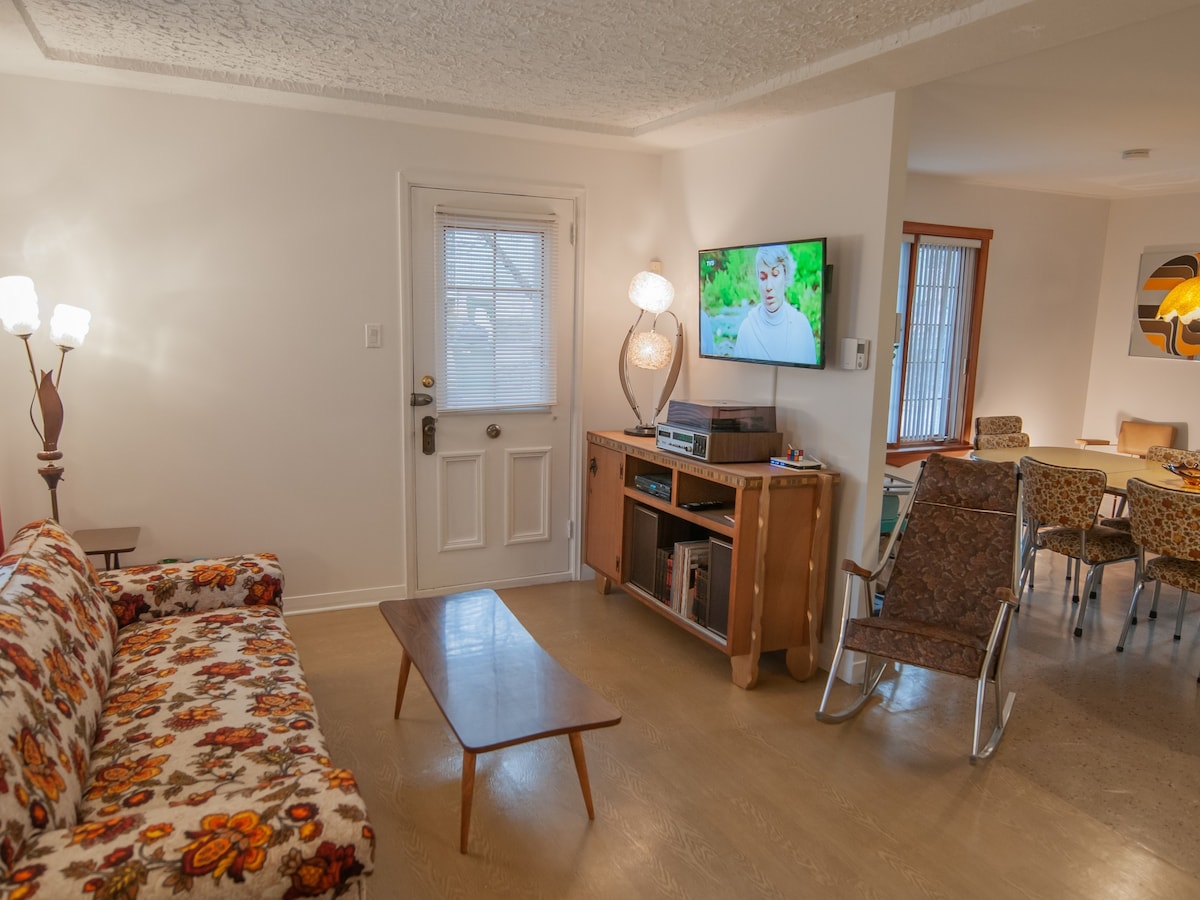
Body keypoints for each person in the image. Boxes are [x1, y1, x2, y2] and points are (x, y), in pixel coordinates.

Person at [734, 244, 817, 364]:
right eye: (763, 277)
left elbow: (812, 379)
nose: (768, 286)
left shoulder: (801, 326)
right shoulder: (747, 329)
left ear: (785, 274)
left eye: (775, 274)